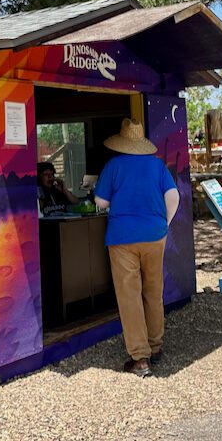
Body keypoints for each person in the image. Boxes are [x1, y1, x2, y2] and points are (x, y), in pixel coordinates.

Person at [93, 118, 180, 378]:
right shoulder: (157, 165)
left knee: (130, 296)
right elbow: (173, 196)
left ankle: (140, 359)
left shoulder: (113, 166)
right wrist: (163, 223)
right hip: (155, 236)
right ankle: (156, 347)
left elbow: (101, 200)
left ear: (121, 142)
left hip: (122, 239)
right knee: (153, 292)